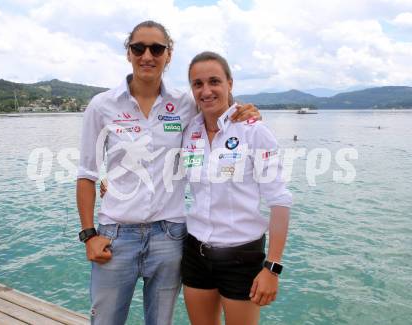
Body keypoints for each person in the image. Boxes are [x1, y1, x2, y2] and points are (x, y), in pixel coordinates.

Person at [76, 21, 260, 325]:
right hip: (116, 236)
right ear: (129, 53)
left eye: (156, 48)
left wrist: (247, 112)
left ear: (168, 54)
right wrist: (88, 236)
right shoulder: (101, 105)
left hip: (170, 236)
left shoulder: (185, 103)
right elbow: (87, 173)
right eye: (139, 48)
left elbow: (218, 106)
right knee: (105, 320)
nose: (147, 55)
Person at [180, 51, 292, 325]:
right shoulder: (189, 130)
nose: (206, 90)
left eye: (214, 81)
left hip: (241, 256)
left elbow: (280, 202)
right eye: (197, 84)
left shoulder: (253, 131)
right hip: (195, 252)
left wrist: (272, 268)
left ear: (229, 83)